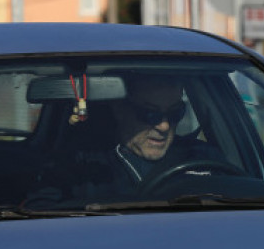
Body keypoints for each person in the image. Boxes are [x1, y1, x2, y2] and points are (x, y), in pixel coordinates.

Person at [38, 73, 230, 200]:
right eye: (150, 114)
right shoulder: (82, 166)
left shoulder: (204, 158)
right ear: (120, 109)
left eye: (175, 114)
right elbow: (41, 218)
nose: (163, 126)